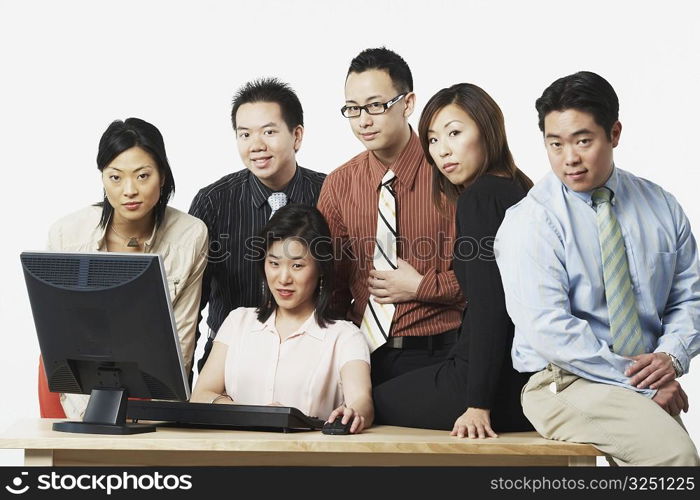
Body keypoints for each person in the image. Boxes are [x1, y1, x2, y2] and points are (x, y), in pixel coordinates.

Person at [495, 71, 700, 465]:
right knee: (675, 459)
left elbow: (689, 297)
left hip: (640, 378)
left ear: (615, 133)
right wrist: (640, 385)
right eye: (554, 144)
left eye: (582, 141)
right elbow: (549, 330)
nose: (568, 158)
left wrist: (670, 359)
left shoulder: (661, 206)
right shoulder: (532, 221)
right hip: (563, 382)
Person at [372, 83, 535, 437]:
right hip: (524, 377)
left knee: (369, 401)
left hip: (484, 385)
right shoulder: (521, 188)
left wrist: (477, 404)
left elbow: (491, 306)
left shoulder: (479, 198)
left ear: (488, 130)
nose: (442, 151)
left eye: (455, 133)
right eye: (432, 140)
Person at [317, 48, 463, 387]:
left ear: (408, 104)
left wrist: (422, 286)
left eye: (375, 106)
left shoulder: (448, 173)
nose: (363, 120)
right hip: (359, 357)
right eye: (353, 109)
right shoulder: (339, 184)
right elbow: (333, 286)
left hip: (440, 354)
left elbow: (486, 279)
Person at [47, 117, 208, 418]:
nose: (129, 190)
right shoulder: (67, 235)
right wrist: (92, 417)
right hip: (79, 386)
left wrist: (160, 419)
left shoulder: (190, 234)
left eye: (143, 176)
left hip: (154, 385)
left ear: (162, 175)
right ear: (103, 178)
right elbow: (61, 340)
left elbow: (182, 340)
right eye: (116, 177)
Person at [191, 204, 373, 433]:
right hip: (235, 455)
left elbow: (361, 401)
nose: (283, 278)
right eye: (274, 263)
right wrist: (256, 416)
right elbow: (200, 395)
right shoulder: (238, 322)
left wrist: (355, 413)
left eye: (297, 265)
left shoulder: (345, 336)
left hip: (308, 459)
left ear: (320, 269)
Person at [190, 78, 326, 373]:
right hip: (228, 359)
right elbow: (191, 301)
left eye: (269, 131)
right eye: (245, 134)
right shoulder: (213, 201)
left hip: (310, 357)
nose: (257, 145)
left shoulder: (331, 193)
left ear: (297, 135)